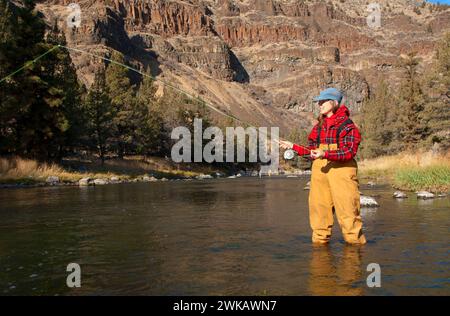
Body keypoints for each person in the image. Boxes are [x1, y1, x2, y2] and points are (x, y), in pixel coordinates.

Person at [280, 88, 367, 245]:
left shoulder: (348, 126)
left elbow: (349, 152)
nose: (319, 104)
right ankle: (320, 259)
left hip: (342, 172)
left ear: (333, 102)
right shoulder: (318, 127)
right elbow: (311, 152)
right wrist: (293, 146)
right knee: (319, 215)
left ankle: (355, 255)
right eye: (318, 102)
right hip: (320, 173)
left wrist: (325, 154)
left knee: (348, 215)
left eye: (323, 101)